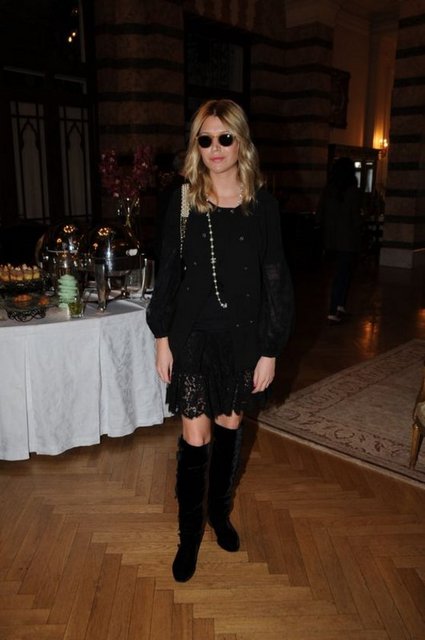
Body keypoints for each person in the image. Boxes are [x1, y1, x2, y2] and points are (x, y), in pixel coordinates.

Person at [146, 99, 294, 582]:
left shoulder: (262, 205)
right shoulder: (183, 200)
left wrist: (270, 348)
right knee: (196, 439)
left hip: (243, 339)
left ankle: (219, 513)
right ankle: (188, 536)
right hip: (192, 337)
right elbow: (168, 273)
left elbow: (275, 278)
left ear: (240, 142)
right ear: (197, 145)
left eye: (224, 138)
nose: (215, 148)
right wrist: (161, 337)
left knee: (230, 431)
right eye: (205, 138)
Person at [316, 157, 363, 324]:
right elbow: (355, 218)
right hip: (348, 240)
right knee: (343, 275)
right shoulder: (352, 191)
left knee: (338, 274)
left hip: (331, 239)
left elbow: (319, 214)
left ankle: (339, 306)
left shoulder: (328, 190)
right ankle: (334, 309)